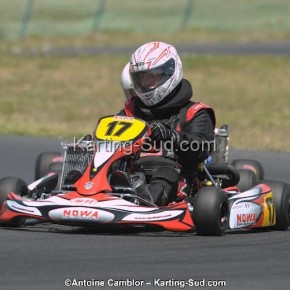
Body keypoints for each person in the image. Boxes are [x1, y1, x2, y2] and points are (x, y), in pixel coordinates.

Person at [118, 41, 216, 206]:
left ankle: (143, 203)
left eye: (151, 76)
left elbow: (200, 149)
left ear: (169, 73)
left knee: (165, 173)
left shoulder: (194, 113)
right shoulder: (131, 111)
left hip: (177, 178)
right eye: (141, 78)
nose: (146, 83)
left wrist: (173, 137)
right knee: (113, 170)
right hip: (133, 173)